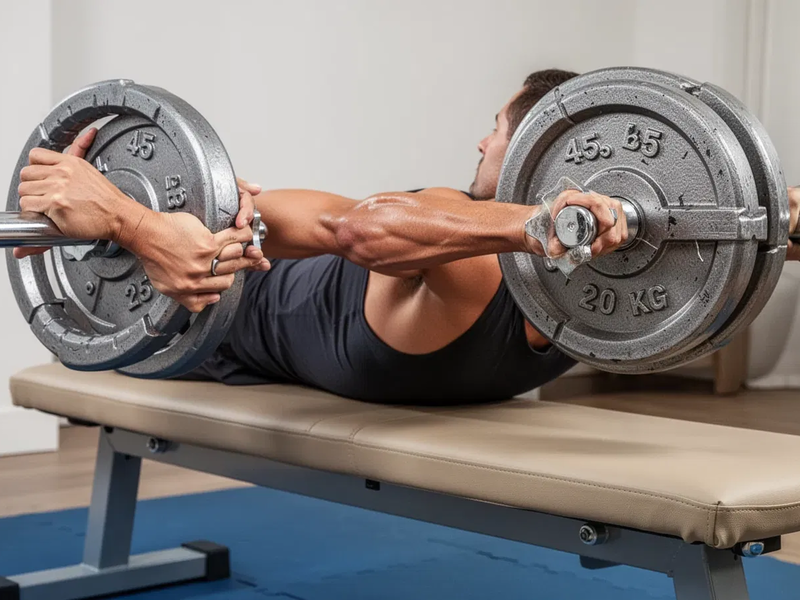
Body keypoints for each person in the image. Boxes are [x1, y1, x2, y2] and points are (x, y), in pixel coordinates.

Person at [14, 69, 800, 403]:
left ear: (539, 152)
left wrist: (777, 218)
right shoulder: (451, 231)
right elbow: (328, 223)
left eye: (495, 132)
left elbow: (726, 229)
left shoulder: (609, 290)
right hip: (190, 325)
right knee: (207, 220)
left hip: (215, 309)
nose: (480, 144)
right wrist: (130, 220)